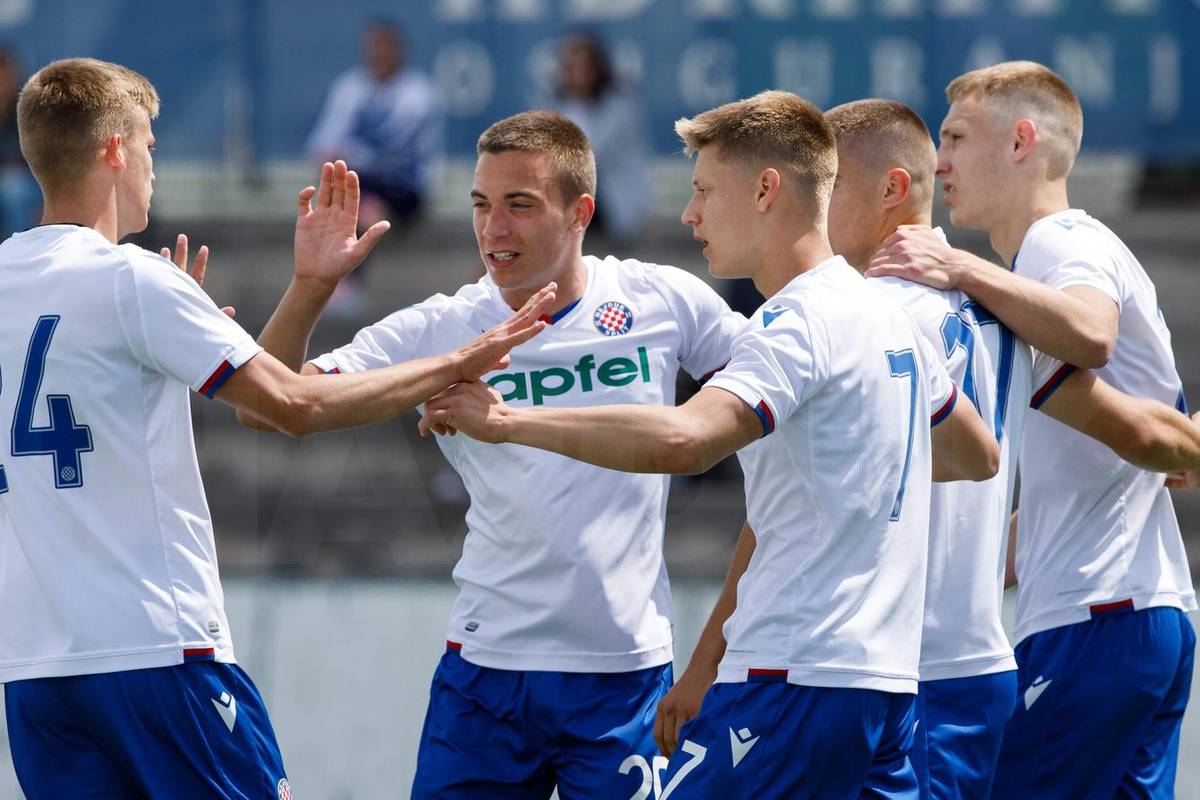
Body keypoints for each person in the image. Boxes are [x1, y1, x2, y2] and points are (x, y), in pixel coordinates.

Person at [420, 91, 1001, 798]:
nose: (690, 214)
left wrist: (508, 422)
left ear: (765, 190)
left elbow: (687, 440)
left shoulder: (795, 324)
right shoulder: (884, 313)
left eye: (703, 191)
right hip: (883, 686)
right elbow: (977, 455)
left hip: (790, 679)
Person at [0, 58, 549, 800]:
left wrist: (296, 291)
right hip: (159, 652)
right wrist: (459, 360)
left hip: (36, 672)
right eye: (152, 147)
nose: (153, 169)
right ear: (115, 151)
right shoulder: (131, 278)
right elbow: (293, 406)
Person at [243, 109, 747, 798]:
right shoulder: (445, 325)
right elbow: (269, 408)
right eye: (481, 205)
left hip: (623, 674)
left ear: (580, 213)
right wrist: (310, 286)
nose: (493, 229)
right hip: (485, 674)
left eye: (519, 205)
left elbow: (781, 389)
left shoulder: (661, 298)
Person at [868, 62, 1196, 798]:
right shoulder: (1044, 262)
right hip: (1142, 611)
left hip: (1096, 617)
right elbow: (1121, 449)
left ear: (1022, 141)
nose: (940, 161)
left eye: (955, 137)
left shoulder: (1055, 243)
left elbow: (1091, 333)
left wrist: (959, 269)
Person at [307, 18, 442, 312]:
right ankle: (330, 276)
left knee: (365, 206)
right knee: (345, 191)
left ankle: (347, 282)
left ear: (400, 52)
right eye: (373, 49)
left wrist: (352, 153)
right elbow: (323, 144)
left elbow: (399, 153)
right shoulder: (349, 88)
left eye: (385, 48)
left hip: (406, 186)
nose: (378, 56)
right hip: (362, 181)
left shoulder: (418, 93)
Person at [550, 33, 650, 245]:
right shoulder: (560, 106)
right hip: (576, 205)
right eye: (569, 67)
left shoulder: (619, 106)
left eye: (582, 68)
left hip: (612, 205)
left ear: (597, 70)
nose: (575, 74)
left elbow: (588, 156)